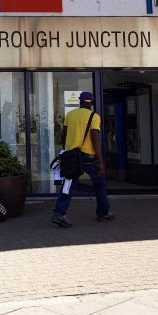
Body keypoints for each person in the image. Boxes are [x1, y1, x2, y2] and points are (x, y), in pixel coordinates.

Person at [51, 91, 115, 228]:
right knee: (100, 183)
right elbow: (95, 138)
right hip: (88, 157)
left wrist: (68, 150)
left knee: (67, 185)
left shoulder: (70, 115)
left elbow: (63, 136)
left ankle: (59, 213)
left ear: (79, 101)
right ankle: (103, 213)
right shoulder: (94, 116)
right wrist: (101, 161)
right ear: (91, 103)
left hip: (72, 155)